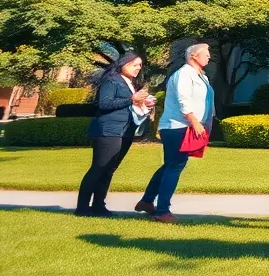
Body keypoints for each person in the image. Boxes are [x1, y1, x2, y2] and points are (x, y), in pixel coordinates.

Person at [137, 43, 215, 223]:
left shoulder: (201, 76)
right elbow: (184, 100)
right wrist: (194, 122)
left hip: (185, 126)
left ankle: (147, 201)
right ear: (194, 56)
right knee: (174, 166)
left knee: (170, 165)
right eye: (206, 54)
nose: (209, 57)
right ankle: (162, 211)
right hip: (178, 127)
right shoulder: (184, 74)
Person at [77, 52, 154, 216]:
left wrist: (143, 103)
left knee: (110, 168)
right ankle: (82, 207)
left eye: (140, 66)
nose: (138, 69)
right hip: (108, 130)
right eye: (135, 65)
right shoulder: (112, 80)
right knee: (99, 168)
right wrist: (132, 99)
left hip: (125, 130)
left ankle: (98, 205)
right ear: (124, 64)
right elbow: (104, 103)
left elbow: (128, 103)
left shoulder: (129, 83)